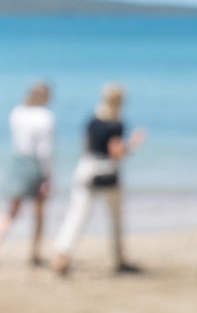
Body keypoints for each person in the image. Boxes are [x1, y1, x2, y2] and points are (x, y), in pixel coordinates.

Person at [52, 83, 147, 276]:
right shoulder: (117, 124)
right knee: (116, 217)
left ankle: (62, 254)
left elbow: (85, 145)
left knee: (77, 215)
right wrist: (134, 144)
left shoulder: (92, 120)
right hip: (108, 172)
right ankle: (119, 259)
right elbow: (116, 153)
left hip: (86, 169)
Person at [0, 81, 54, 268]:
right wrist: (48, 175)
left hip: (17, 162)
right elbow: (45, 151)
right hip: (35, 163)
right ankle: (35, 253)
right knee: (39, 211)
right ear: (45, 97)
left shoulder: (17, 113)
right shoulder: (45, 117)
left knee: (11, 209)